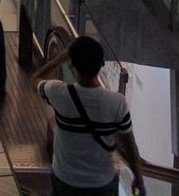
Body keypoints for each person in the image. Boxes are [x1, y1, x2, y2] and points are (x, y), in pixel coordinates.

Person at [32, 35, 145, 196]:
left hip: (66, 180)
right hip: (102, 183)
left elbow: (35, 79)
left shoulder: (59, 93)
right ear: (101, 64)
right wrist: (138, 178)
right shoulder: (117, 102)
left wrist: (60, 58)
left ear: (72, 65)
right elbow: (130, 147)